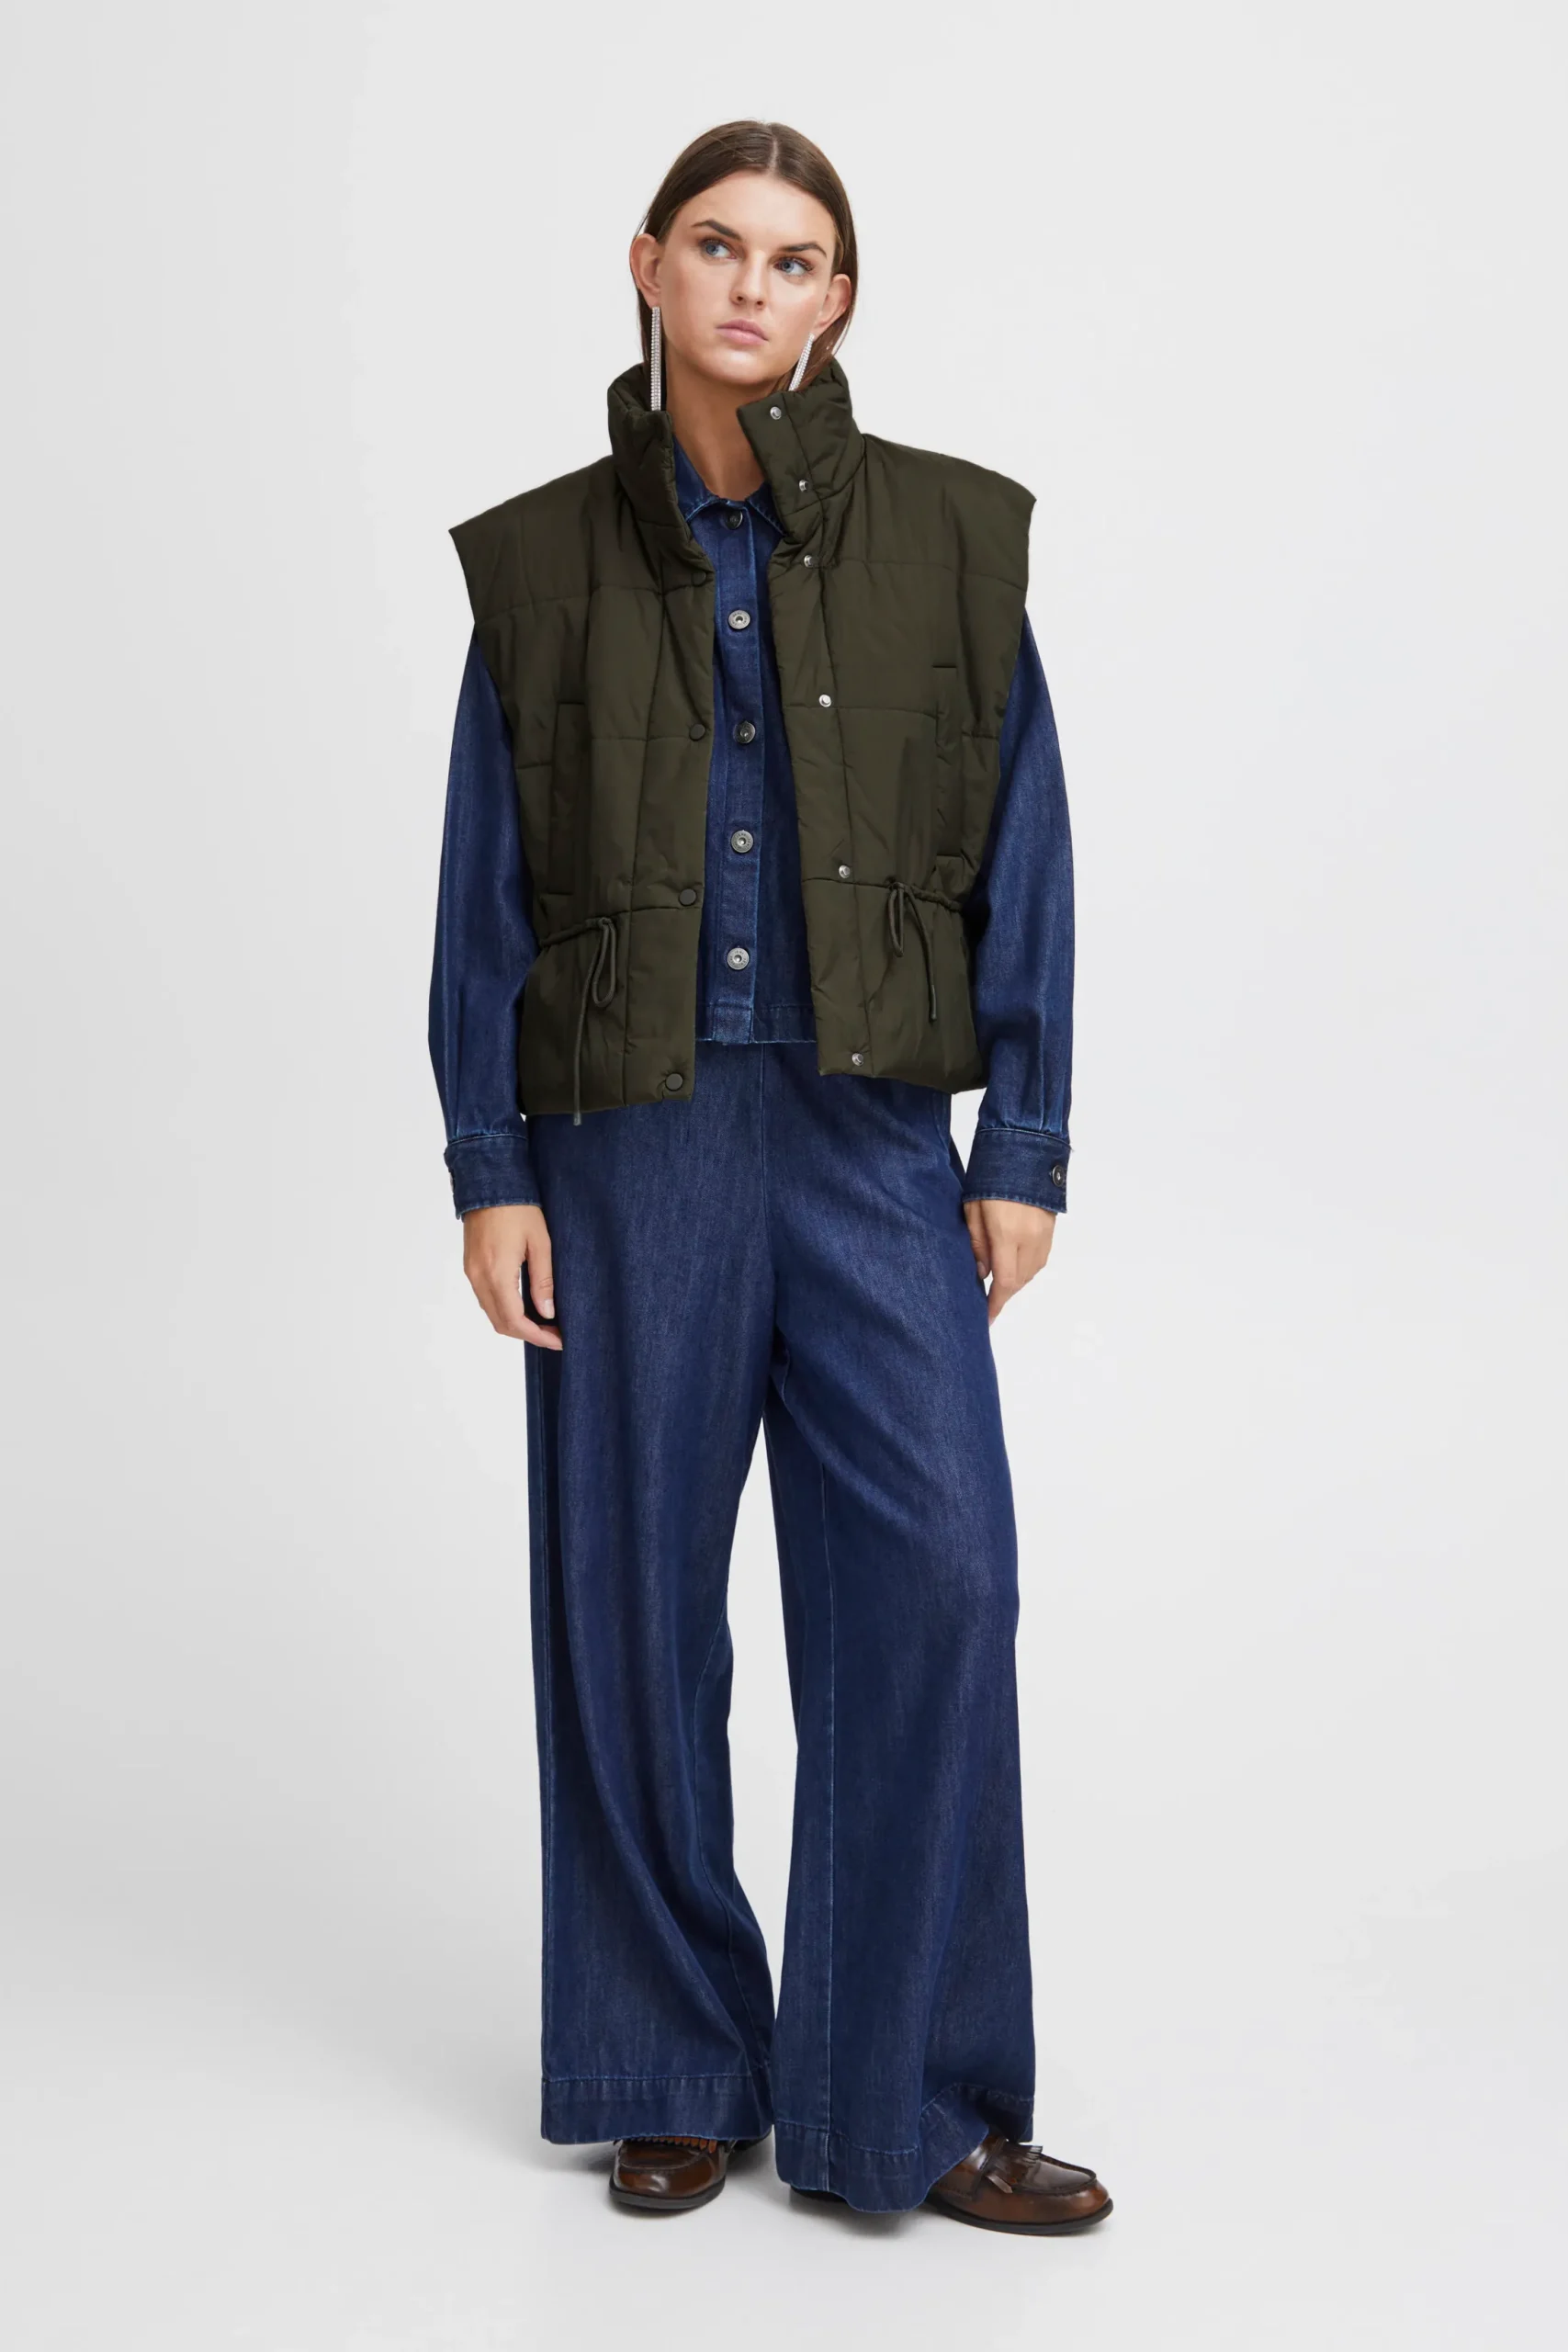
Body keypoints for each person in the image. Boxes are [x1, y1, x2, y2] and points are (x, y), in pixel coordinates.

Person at [427, 119, 1110, 2234]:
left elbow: (1026, 842)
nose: (751, 285)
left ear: (838, 299)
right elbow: (481, 878)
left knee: (943, 1576)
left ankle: (912, 2094)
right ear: (648, 267)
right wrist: (489, 1161)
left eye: (794, 258)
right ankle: (667, 2063)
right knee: (632, 1607)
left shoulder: (950, 539)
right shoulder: (542, 562)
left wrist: (1023, 1133)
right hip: (624, 1142)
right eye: (717, 246)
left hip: (869, 1135)